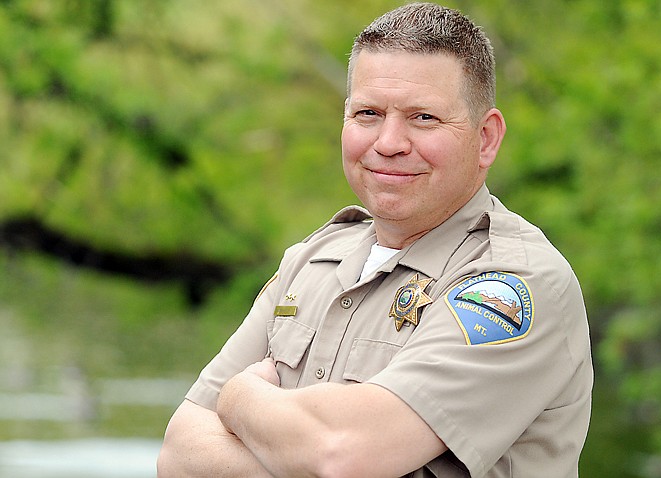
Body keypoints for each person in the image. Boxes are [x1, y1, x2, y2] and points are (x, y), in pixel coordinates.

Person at [157, 3, 593, 477]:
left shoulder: (514, 286)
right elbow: (179, 456)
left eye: (423, 118)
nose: (389, 142)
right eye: (368, 113)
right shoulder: (312, 262)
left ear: (486, 138)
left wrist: (241, 397)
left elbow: (341, 454)